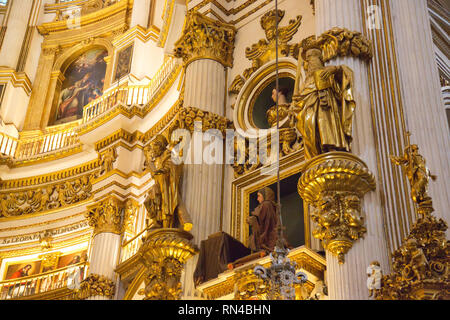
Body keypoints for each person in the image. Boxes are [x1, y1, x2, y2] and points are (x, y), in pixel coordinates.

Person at [293, 36, 356, 160]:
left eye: (314, 58)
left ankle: (333, 148)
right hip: (310, 113)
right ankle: (317, 152)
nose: (311, 63)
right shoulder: (305, 82)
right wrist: (296, 105)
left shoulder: (327, 72)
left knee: (327, 125)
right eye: (309, 60)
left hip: (327, 110)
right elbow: (300, 103)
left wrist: (336, 69)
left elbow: (345, 80)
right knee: (310, 130)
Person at [246, 187, 279, 253]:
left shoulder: (266, 204)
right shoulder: (272, 206)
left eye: (259, 196)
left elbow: (256, 217)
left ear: (265, 195)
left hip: (266, 238)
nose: (258, 199)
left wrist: (252, 219)